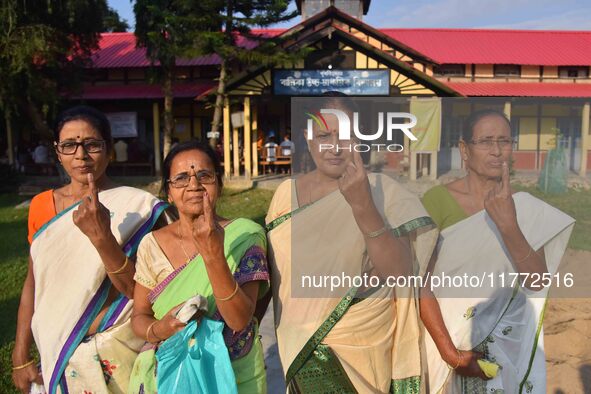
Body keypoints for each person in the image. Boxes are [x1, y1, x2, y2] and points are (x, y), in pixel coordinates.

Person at [265, 94, 438, 393]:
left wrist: (363, 206)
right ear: (308, 139)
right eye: (324, 135)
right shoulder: (284, 195)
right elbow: (275, 276)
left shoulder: (385, 191)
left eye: (344, 136)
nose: (335, 146)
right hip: (300, 344)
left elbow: (401, 274)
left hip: (364, 341)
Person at [12, 105, 168, 394]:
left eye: (92, 145)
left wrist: (102, 237)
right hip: (57, 343)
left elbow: (145, 290)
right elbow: (34, 281)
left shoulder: (139, 208)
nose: (81, 155)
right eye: (69, 146)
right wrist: (20, 353)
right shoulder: (43, 206)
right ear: (58, 153)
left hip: (118, 347)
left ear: (109, 151)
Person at [420, 109, 574, 393]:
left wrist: (509, 225)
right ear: (464, 149)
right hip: (448, 341)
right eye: (485, 141)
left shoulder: (524, 207)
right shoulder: (437, 201)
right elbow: (420, 285)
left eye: (504, 141)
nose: (496, 151)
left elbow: (537, 282)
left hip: (505, 345)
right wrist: (451, 354)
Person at [128, 140, 269, 393]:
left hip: (233, 375)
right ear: (168, 192)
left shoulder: (245, 236)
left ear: (219, 184)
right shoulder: (153, 244)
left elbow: (238, 320)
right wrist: (159, 329)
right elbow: (139, 316)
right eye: (181, 178)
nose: (194, 185)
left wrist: (213, 255)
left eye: (204, 175)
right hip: (170, 374)